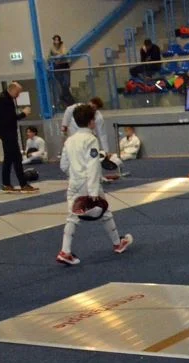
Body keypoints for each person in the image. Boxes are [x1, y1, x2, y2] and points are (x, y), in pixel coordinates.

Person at [56, 104, 132, 266]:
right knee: (105, 211)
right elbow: (92, 165)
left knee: (72, 216)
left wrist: (75, 174)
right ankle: (117, 244)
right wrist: (92, 191)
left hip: (74, 183)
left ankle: (65, 251)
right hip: (89, 183)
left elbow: (63, 165)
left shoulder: (69, 140)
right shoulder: (91, 139)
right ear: (91, 121)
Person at [0, 82, 38, 194]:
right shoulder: (3, 99)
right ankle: (23, 184)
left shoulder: (6, 98)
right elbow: (10, 118)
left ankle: (6, 184)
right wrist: (23, 113)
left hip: (7, 131)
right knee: (17, 158)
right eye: (18, 92)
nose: (18, 95)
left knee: (8, 158)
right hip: (7, 132)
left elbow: (9, 117)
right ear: (13, 89)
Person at [49, 35, 74, 107]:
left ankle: (63, 97)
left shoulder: (62, 46)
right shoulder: (52, 48)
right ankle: (68, 101)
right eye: (55, 40)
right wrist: (54, 58)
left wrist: (58, 56)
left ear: (59, 40)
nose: (56, 41)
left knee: (66, 83)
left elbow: (64, 53)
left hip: (64, 65)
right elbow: (49, 57)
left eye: (57, 40)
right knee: (62, 85)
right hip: (57, 67)